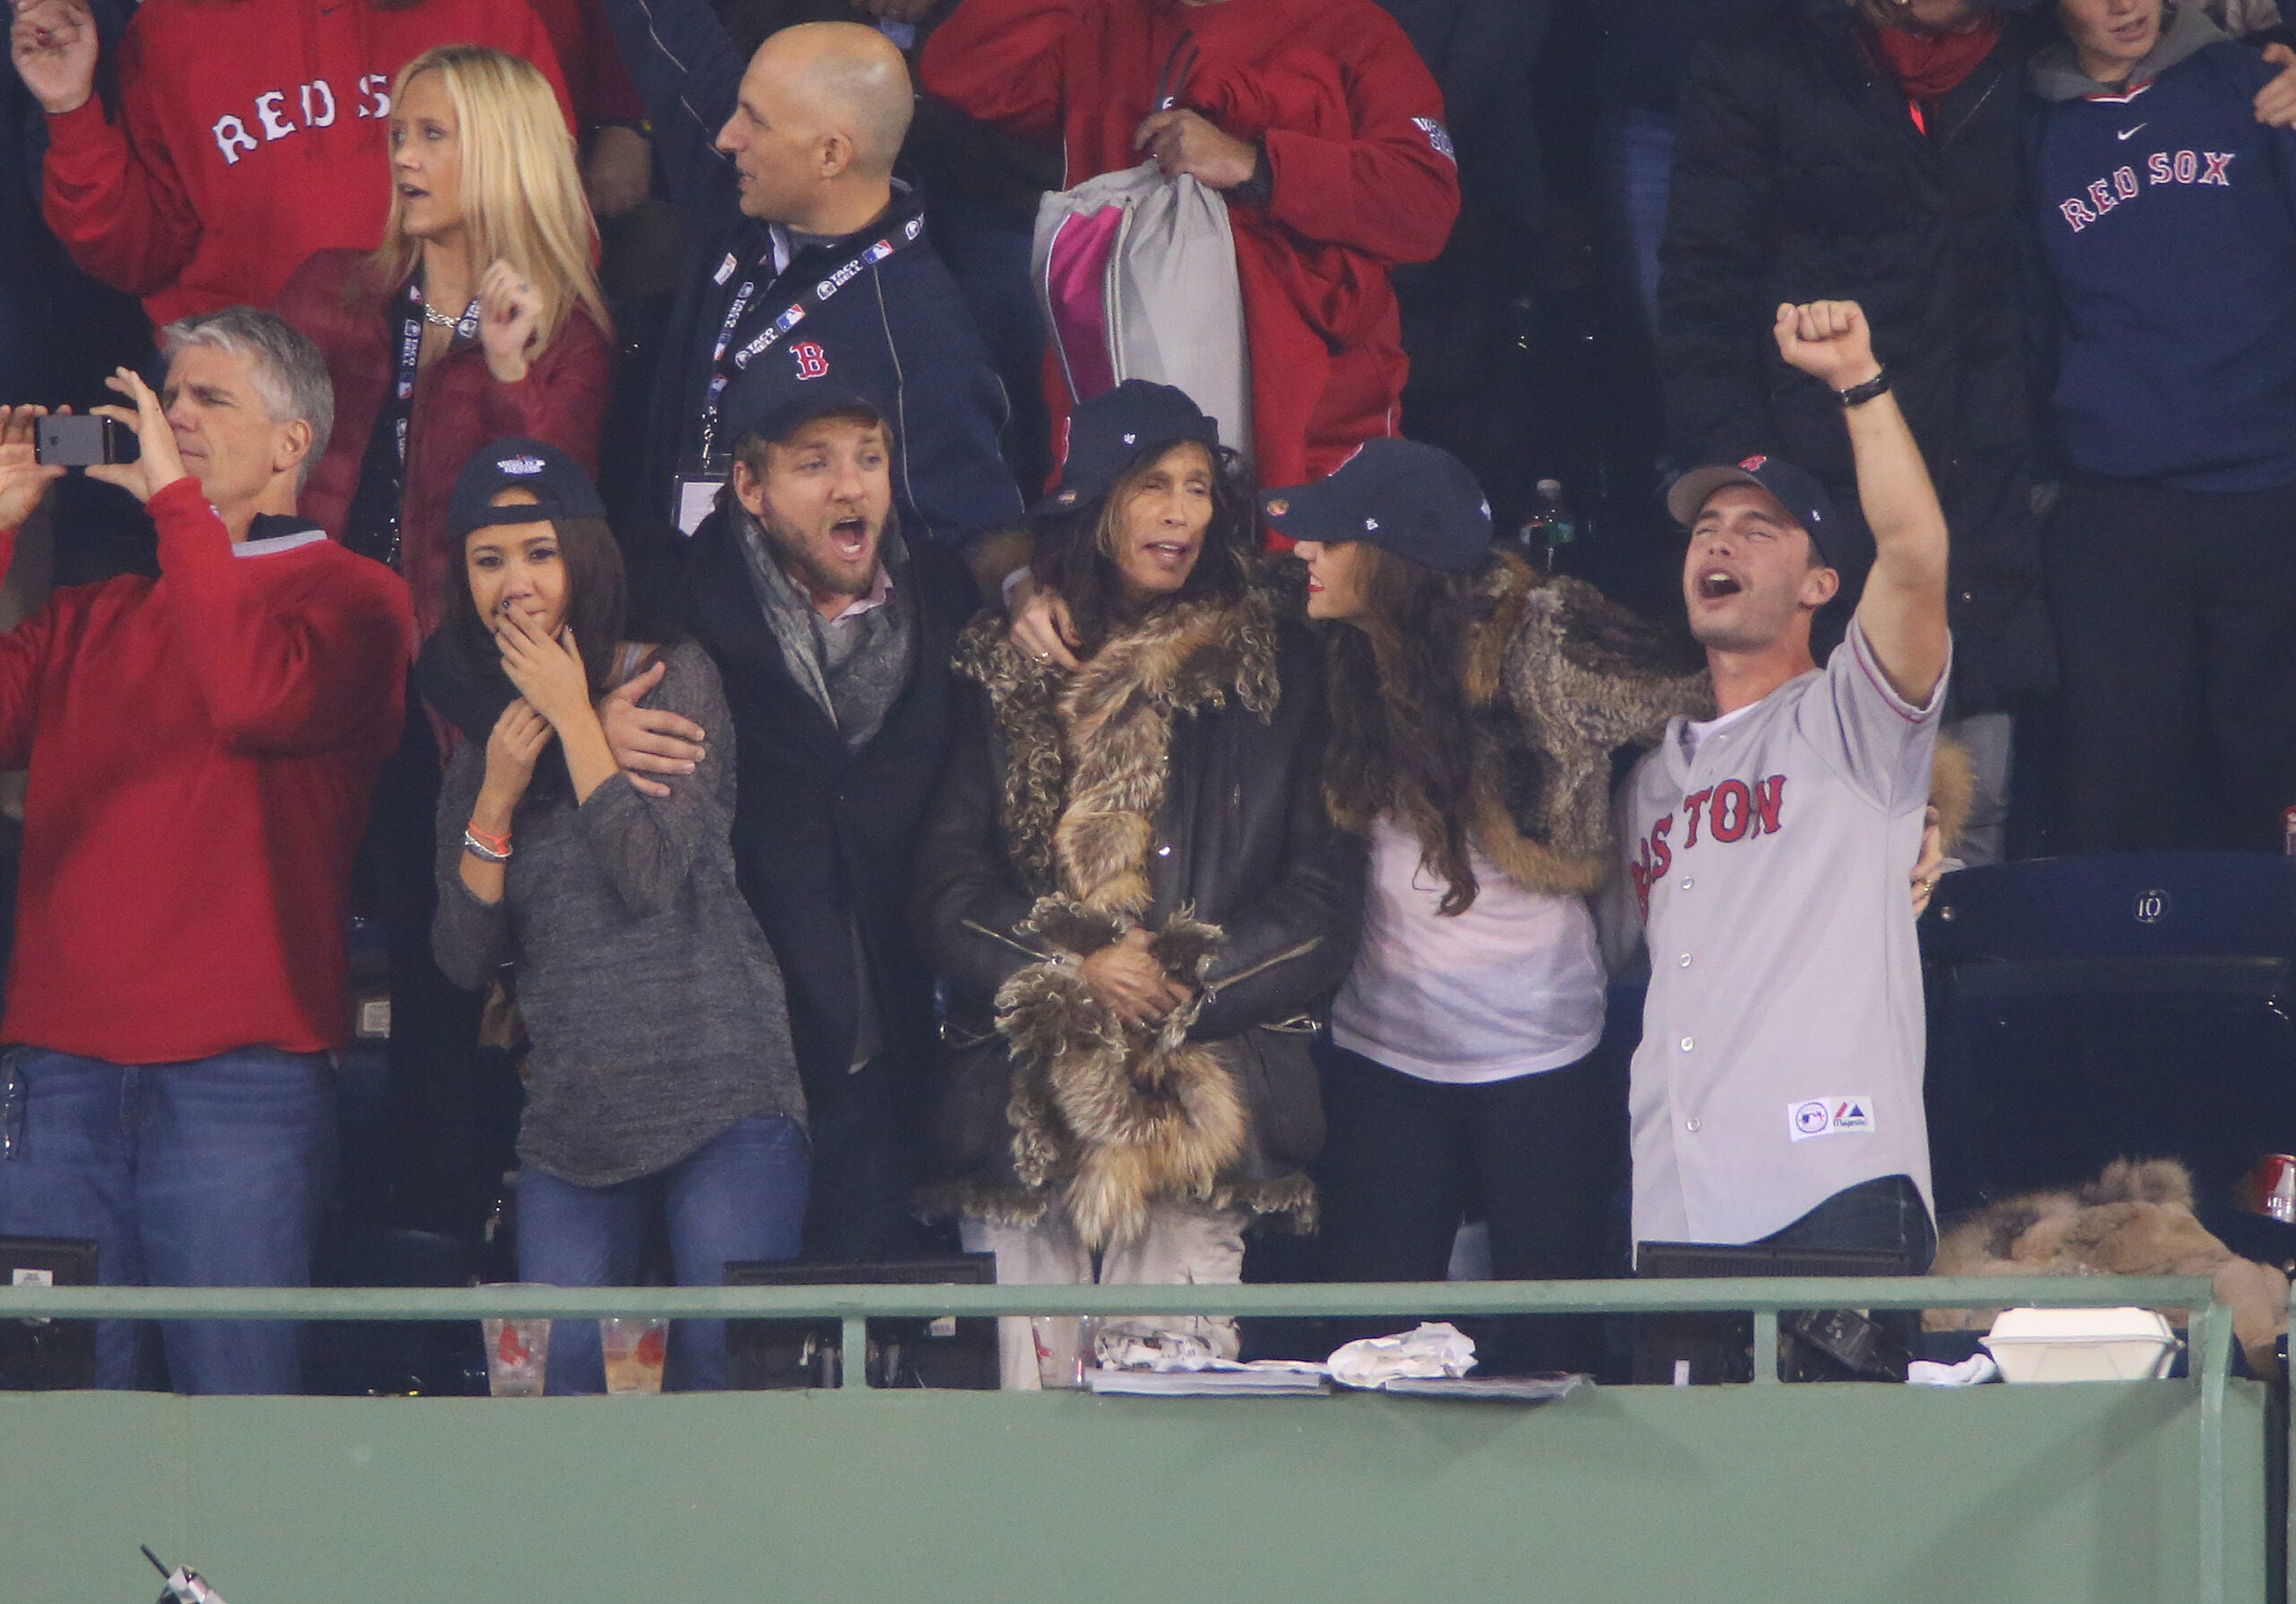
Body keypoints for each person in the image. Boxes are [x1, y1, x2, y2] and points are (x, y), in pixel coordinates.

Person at [912, 381, 1363, 1388]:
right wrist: (1076, 972)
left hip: (1198, 1106)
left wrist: (1181, 984)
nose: (1179, 513)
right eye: (1152, 485)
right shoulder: (1007, 662)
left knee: (1172, 1448)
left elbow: (1323, 899)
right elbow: (944, 888)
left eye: (1198, 488)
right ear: (1096, 502)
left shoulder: (1277, 663)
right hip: (1024, 1114)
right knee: (1024, 1442)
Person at [0, 309, 413, 1392]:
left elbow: (249, 695)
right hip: (60, 1069)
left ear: (293, 445)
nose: (172, 416)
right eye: (165, 397)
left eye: (207, 400)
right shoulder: (88, 615)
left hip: (243, 1074)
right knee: (57, 1421)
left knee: (235, 1410)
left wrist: (176, 506)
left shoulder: (359, 600)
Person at [1267, 438, 1710, 1373]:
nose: (1304, 551)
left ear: (1390, 560)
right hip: (1380, 1061)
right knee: (1364, 1356)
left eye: (1330, 537)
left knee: (1552, 1354)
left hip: (1540, 1057)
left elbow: (1719, 691)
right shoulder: (1326, 650)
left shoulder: (1542, 649)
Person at [273, 43, 614, 1230]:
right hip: (311, 680)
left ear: (502, 151)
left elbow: (553, 536)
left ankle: (424, 1257)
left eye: (433, 135)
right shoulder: (329, 292)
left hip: (450, 709)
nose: (404, 159)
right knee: (285, 965)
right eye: (399, 136)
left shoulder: (563, 328)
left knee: (436, 981)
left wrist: (513, 374)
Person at [424, 440, 806, 1393]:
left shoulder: (670, 676)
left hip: (722, 1095)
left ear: (584, 557)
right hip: (571, 1124)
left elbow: (647, 873)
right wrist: (498, 796)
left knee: (726, 1383)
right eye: (489, 559)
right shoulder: (485, 735)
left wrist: (574, 717)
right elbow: (463, 954)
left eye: (539, 552)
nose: (515, 582)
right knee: (563, 1396)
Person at [1604, 300, 1952, 1267]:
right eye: (1706, 528)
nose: (1719, 543)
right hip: (1673, 1206)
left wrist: (1857, 384)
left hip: (1828, 1181)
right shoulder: (1647, 779)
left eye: (1758, 530)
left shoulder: (1853, 723)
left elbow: (1917, 557)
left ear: (1818, 586)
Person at [601, 391, 982, 1264]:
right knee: (732, 1355)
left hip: (888, 1030)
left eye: (868, 457)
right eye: (813, 464)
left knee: (854, 1347)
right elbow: (472, 653)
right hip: (730, 1046)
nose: (848, 485)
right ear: (749, 484)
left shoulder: (945, 592)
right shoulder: (670, 590)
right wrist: (581, 725)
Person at [918, 0, 1463, 494]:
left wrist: (1256, 166)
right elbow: (961, 69)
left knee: (1307, 592)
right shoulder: (1098, 21)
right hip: (1126, 407)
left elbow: (1424, 201)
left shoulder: (1350, 25)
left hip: (1314, 419)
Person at [590, 3, 1022, 572]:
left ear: (831, 154)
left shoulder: (922, 344)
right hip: (666, 596)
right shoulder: (744, 189)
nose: (726, 136)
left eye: (753, 119)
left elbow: (976, 548)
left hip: (788, 656)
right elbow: (669, 31)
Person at [2029, 0, 2296, 850]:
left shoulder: (2256, 85)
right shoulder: (2018, 125)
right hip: (2117, 498)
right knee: (2124, 789)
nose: (2124, 3)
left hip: (2270, 480)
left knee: (2270, 776)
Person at [7, 0, 577, 328]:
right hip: (252, 403)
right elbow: (138, 258)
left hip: (457, 369)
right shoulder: (170, 28)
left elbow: (554, 228)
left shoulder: (487, 13)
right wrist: (71, 107)